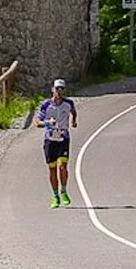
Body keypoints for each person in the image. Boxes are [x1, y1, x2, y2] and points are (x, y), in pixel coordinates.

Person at [37, 78, 78, 207]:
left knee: (63, 167)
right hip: (50, 140)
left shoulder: (68, 103)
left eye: (62, 89)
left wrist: (73, 121)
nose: (59, 92)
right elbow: (37, 122)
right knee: (53, 169)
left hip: (63, 139)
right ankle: (55, 196)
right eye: (57, 89)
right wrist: (47, 123)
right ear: (52, 90)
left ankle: (64, 191)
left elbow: (73, 112)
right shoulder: (46, 105)